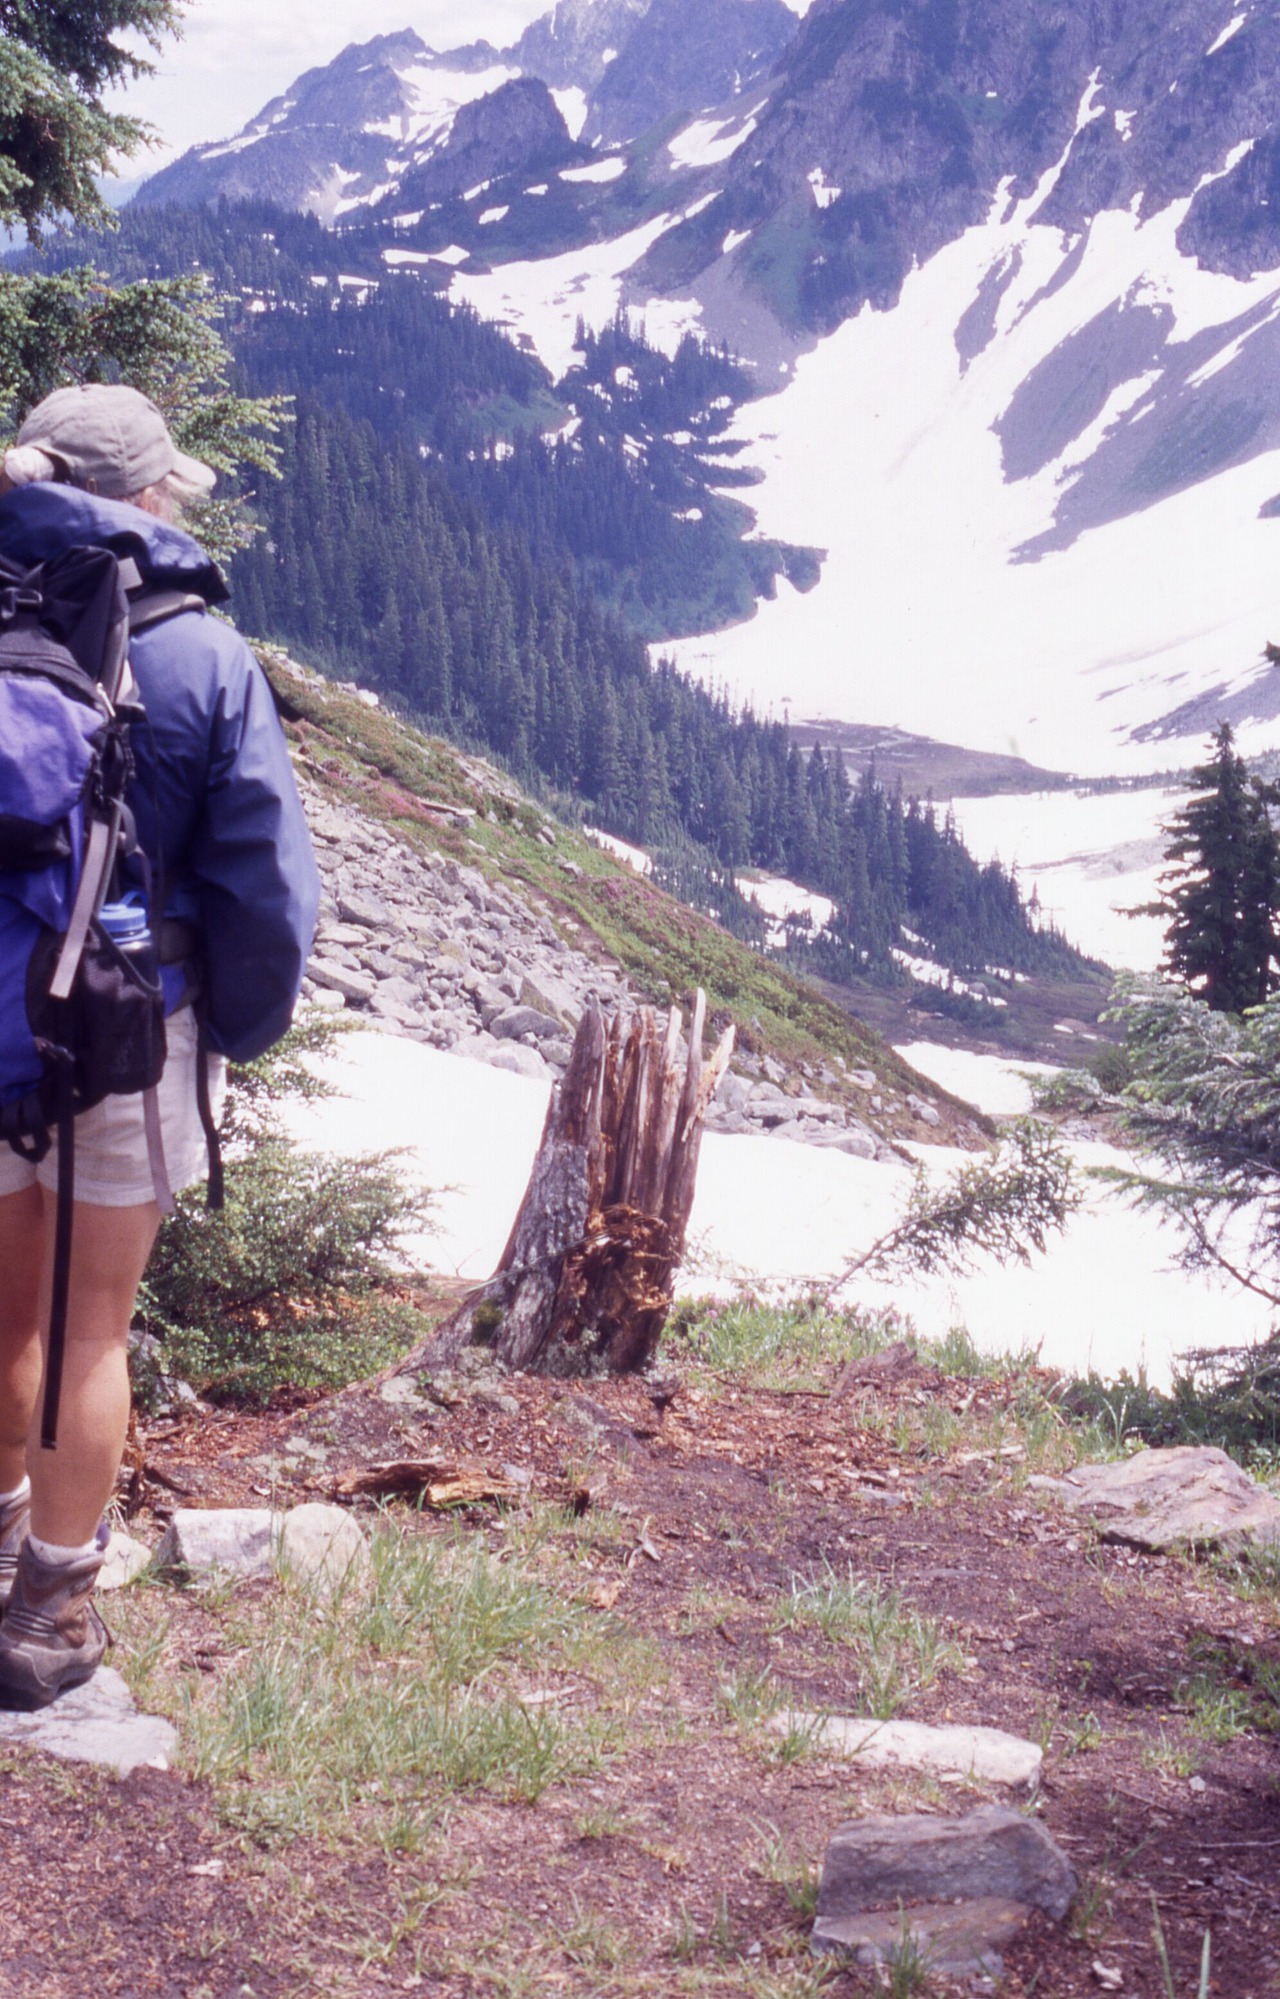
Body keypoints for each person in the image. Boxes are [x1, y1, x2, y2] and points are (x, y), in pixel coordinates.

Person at [0, 384, 320, 1707]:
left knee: (1, 1304)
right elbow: (266, 888)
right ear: (140, 501)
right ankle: (48, 1622)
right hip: (129, 1035)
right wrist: (237, 1028)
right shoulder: (196, 653)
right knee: (89, 1322)